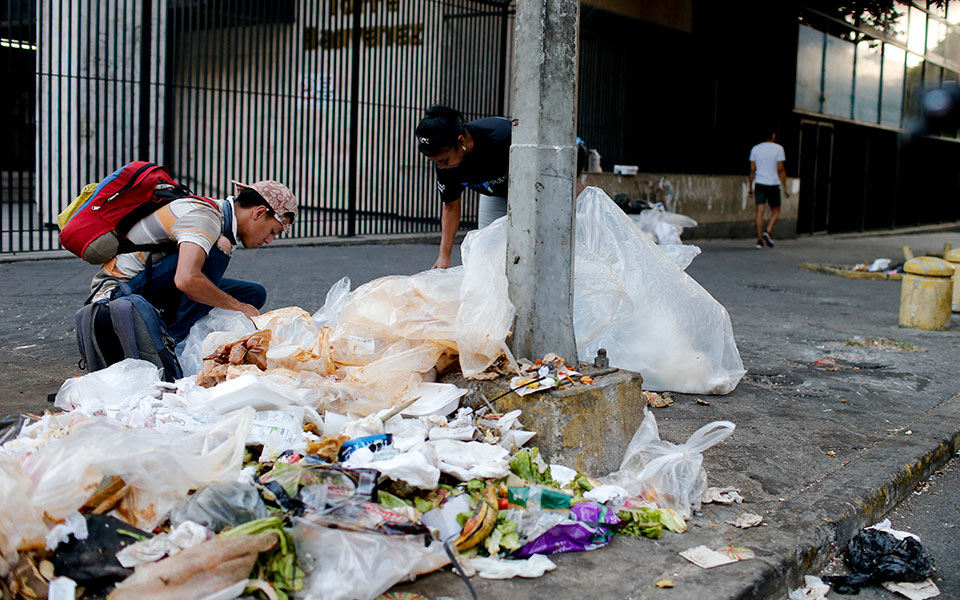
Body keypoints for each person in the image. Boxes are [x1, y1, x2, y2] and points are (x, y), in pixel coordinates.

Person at [89, 180, 298, 342]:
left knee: (253, 294)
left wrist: (240, 304)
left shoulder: (218, 217)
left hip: (148, 285)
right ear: (259, 213)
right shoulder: (206, 217)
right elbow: (187, 280)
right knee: (219, 250)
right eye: (273, 231)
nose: (269, 240)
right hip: (117, 296)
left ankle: (180, 329)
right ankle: (177, 341)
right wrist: (237, 307)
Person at [415, 105, 511, 269]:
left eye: (444, 160)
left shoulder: (502, 137)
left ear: (461, 141)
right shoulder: (445, 166)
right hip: (494, 195)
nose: (442, 166)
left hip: (530, 190)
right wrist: (444, 256)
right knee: (488, 254)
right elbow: (450, 206)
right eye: (436, 162)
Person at [748, 130, 790, 249]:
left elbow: (752, 170)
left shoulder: (755, 149)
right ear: (773, 136)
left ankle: (759, 240)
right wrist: (785, 188)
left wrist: (750, 187)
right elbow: (780, 169)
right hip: (773, 184)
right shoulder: (778, 149)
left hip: (760, 183)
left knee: (760, 211)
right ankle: (768, 230)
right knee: (776, 211)